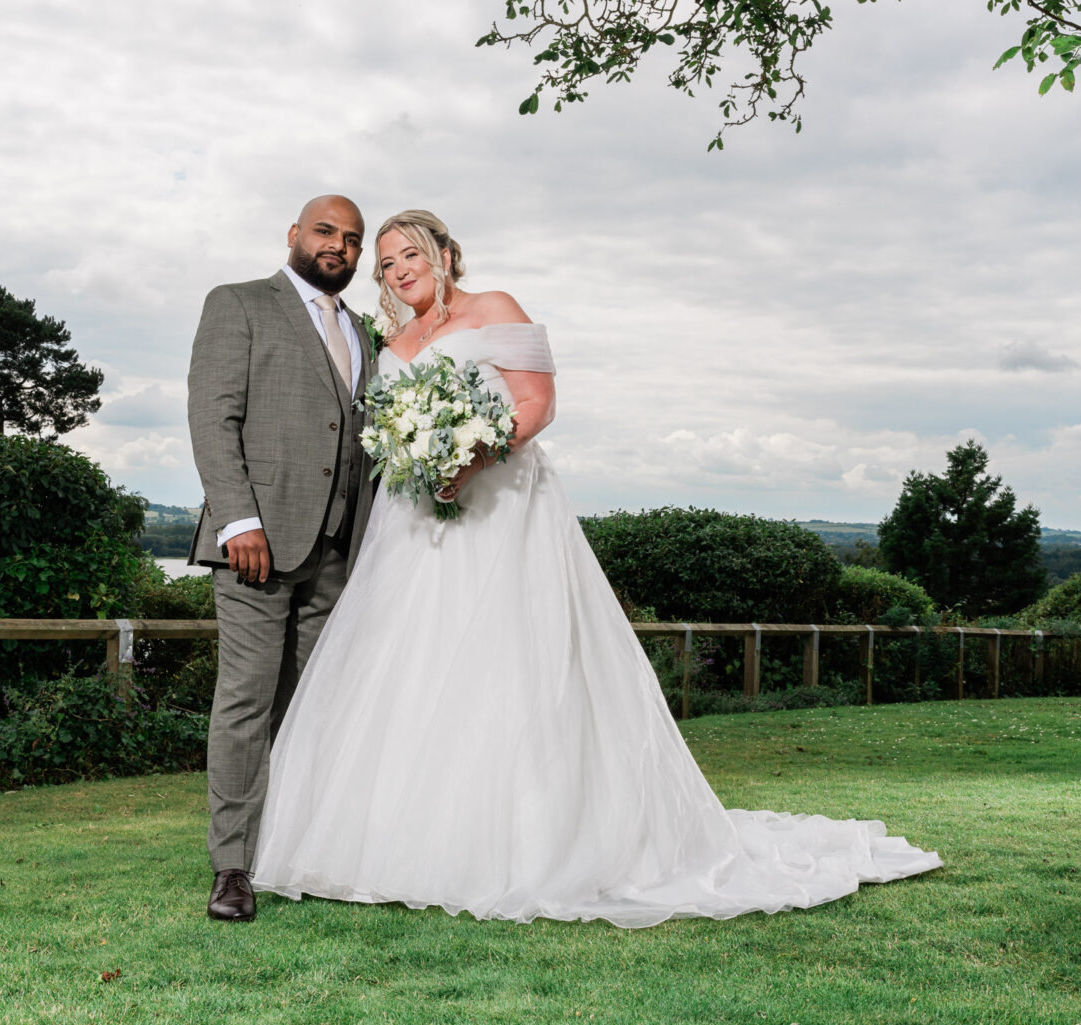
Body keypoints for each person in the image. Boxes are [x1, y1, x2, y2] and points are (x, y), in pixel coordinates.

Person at [250, 210, 942, 929]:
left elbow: (538, 403)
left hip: (501, 512)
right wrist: (421, 459)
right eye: (385, 263)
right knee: (408, 666)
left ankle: (524, 844)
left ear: (444, 254)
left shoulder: (496, 309)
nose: (397, 270)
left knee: (507, 662)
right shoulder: (389, 340)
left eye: (408, 254)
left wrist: (472, 455)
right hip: (413, 523)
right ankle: (390, 844)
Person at [186, 195, 376, 921]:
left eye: (353, 240)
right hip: (255, 546)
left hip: (336, 552)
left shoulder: (362, 331)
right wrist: (239, 519)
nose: (340, 247)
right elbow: (213, 416)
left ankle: (295, 851)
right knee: (246, 702)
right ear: (294, 235)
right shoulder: (238, 304)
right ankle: (231, 866)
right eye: (327, 232)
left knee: (314, 709)